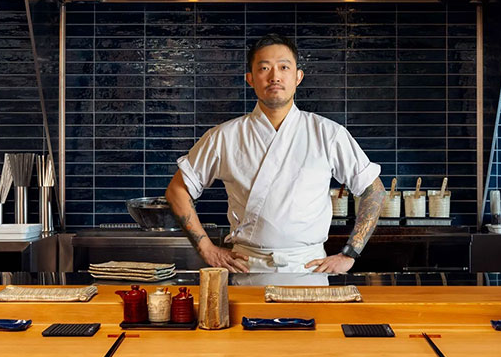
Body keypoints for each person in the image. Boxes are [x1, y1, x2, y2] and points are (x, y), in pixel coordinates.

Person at [165, 33, 386, 275]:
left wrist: (350, 252)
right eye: (264, 68)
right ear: (250, 78)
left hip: (310, 268)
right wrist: (206, 247)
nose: (275, 76)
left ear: (298, 77)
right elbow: (177, 189)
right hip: (248, 268)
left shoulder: (328, 133)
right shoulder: (223, 137)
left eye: (283, 67)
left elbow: (372, 189)